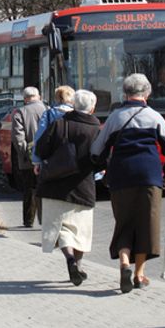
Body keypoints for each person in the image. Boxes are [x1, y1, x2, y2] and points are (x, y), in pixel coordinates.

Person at [91, 73, 165, 294]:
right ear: (147, 93)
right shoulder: (154, 117)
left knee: (124, 222)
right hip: (149, 176)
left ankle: (124, 264)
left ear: (125, 93)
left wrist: (102, 169)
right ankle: (139, 274)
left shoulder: (115, 117)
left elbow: (96, 150)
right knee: (146, 225)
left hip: (121, 176)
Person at [35, 90, 100, 286]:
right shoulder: (96, 128)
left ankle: (70, 260)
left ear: (74, 105)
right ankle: (78, 266)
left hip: (54, 184)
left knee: (60, 228)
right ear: (92, 108)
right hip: (83, 186)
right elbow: (101, 158)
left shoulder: (59, 123)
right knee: (80, 230)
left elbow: (40, 149)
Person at [11, 86, 47, 227]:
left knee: (29, 189)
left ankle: (28, 220)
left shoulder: (20, 112)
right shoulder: (47, 110)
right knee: (44, 189)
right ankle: (45, 220)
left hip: (28, 160)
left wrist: (28, 154)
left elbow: (18, 139)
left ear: (25, 98)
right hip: (46, 158)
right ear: (38, 96)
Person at [32, 85, 75, 172]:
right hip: (74, 159)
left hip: (52, 159)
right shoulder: (78, 114)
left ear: (57, 98)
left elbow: (39, 137)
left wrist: (36, 161)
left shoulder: (48, 114)